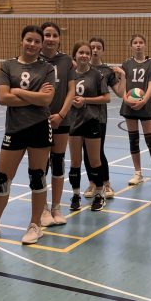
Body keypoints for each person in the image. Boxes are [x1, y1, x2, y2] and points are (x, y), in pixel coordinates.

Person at [0, 25, 55, 244]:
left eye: (37, 41)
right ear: (21, 41)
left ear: (41, 45)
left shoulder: (47, 68)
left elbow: (46, 100)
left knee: (37, 177)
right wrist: (33, 97)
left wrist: (17, 91)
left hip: (39, 127)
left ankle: (35, 226)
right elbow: (2, 98)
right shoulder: (8, 65)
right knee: (2, 179)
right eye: (29, 40)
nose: (32, 44)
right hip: (15, 129)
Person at [120, 33, 151, 188]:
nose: (138, 45)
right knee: (133, 140)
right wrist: (125, 98)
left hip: (145, 106)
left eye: (141, 42)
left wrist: (143, 101)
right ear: (131, 46)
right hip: (129, 105)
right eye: (135, 42)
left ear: (145, 45)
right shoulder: (126, 64)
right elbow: (122, 84)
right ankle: (138, 173)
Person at [39, 22, 76, 226]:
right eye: (47, 35)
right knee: (41, 166)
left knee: (58, 162)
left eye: (54, 35)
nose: (51, 39)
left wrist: (61, 114)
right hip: (39, 119)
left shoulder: (66, 60)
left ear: (59, 39)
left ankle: (56, 207)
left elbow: (71, 90)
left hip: (62, 119)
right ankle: (43, 208)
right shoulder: (35, 59)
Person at [67, 42, 111, 212]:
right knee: (75, 161)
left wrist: (85, 100)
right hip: (74, 122)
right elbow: (64, 96)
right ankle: (76, 195)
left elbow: (106, 98)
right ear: (75, 55)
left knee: (94, 160)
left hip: (92, 121)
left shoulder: (97, 75)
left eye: (87, 53)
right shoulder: (69, 75)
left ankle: (99, 194)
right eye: (81, 52)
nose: (84, 55)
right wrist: (71, 101)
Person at [82, 37, 126, 200]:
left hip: (99, 117)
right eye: (92, 47)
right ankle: (92, 183)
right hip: (80, 116)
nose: (95, 50)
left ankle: (106, 183)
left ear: (103, 50)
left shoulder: (106, 71)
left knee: (98, 151)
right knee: (86, 151)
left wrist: (123, 76)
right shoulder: (80, 68)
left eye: (98, 47)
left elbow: (120, 93)